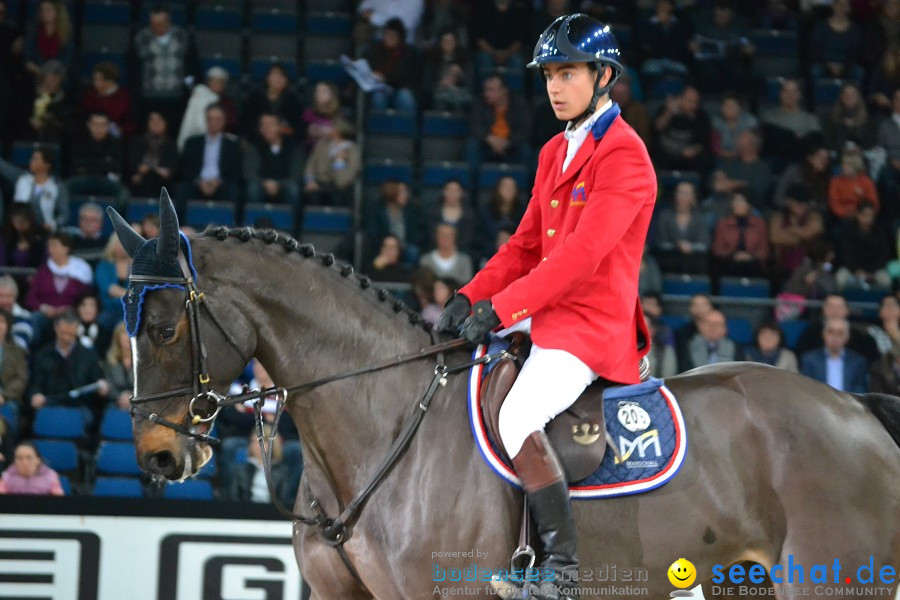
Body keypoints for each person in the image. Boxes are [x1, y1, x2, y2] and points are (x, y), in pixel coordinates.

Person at [437, 14, 656, 599]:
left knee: (516, 416)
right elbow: (526, 245)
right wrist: (469, 296)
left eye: (567, 74)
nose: (554, 86)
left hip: (591, 325)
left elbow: (581, 257)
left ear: (603, 75)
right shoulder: (553, 151)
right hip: (546, 310)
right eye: (549, 76)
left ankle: (561, 571)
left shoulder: (625, 156)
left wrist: (503, 309)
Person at [176, 103, 242, 212]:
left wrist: (218, 182)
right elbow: (184, 168)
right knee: (181, 189)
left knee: (235, 192)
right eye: (210, 119)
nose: (213, 122)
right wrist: (199, 182)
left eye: (217, 119)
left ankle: (234, 227)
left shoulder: (232, 145)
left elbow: (235, 171)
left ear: (224, 121)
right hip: (197, 183)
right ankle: (182, 227)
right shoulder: (192, 143)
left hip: (221, 184)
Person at [0, 146, 68, 233]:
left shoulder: (57, 186)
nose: (31, 161)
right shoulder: (22, 178)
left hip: (45, 231)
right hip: (19, 229)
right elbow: (4, 168)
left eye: (35, 159)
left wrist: (52, 224)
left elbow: (64, 215)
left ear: (46, 165)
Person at [800, 317, 869, 393]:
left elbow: (860, 392)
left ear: (847, 337)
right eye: (831, 332)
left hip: (848, 404)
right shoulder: (810, 359)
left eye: (840, 333)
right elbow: (806, 390)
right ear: (824, 334)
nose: (835, 337)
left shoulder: (858, 361)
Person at [128, 111, 178, 197]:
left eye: (159, 121)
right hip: (140, 181)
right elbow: (132, 164)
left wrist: (152, 170)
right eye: (152, 121)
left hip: (163, 183)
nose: (156, 124)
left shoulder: (171, 145)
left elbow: (172, 169)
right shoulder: (137, 142)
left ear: (165, 123)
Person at [80, 61, 133, 136]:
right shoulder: (89, 94)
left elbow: (129, 124)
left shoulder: (124, 97)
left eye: (97, 79)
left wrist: (120, 131)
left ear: (109, 81)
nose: (94, 82)